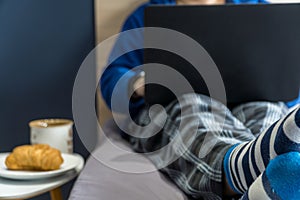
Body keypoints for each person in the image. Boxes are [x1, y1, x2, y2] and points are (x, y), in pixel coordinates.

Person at [101, 0, 300, 199]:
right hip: (174, 105)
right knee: (191, 107)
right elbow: (111, 80)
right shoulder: (145, 16)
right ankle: (246, 173)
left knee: (268, 109)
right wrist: (139, 83)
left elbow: (288, 80)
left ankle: (257, 177)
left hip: (247, 102)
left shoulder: (259, 8)